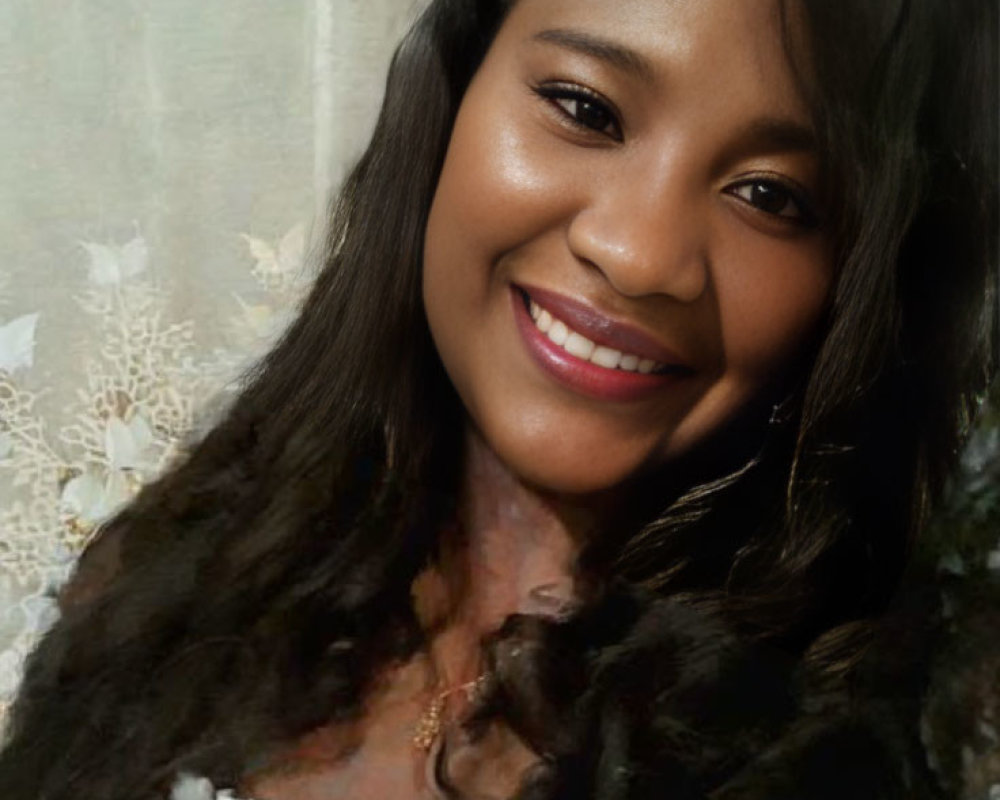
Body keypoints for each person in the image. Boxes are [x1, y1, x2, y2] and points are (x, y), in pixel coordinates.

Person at [0, 0, 995, 798]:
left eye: (771, 196)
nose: (640, 253)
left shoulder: (825, 748)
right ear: (450, 99)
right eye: (585, 108)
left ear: (857, 295)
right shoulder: (173, 573)